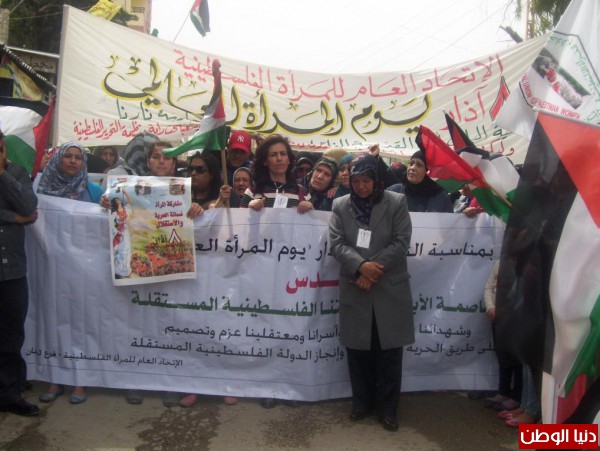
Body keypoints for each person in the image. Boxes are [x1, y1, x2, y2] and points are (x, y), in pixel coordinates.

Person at [329, 154, 414, 432]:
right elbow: (336, 243)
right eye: (356, 181)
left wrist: (372, 270)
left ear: (376, 180)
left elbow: (401, 241)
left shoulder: (396, 202)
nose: (361, 186)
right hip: (356, 285)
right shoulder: (340, 205)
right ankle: (361, 403)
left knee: (389, 351)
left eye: (366, 180)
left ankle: (387, 409)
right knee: (358, 350)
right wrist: (360, 267)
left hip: (388, 286)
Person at [240, 135, 308, 408]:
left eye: (283, 154)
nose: (279, 158)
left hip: (290, 272)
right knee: (264, 327)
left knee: (288, 326)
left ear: (289, 159)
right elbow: (237, 226)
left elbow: (309, 230)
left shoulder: (300, 190)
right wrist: (249, 209)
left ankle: (288, 384)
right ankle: (266, 384)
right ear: (265, 160)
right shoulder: (254, 190)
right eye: (273, 154)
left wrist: (309, 209)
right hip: (261, 271)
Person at [36, 142, 103, 404]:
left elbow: (110, 219)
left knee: (81, 322)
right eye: (68, 156)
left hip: (86, 269)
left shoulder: (93, 190)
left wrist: (109, 205)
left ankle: (80, 381)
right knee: (54, 320)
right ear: (58, 160)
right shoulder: (42, 188)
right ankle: (56, 378)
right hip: (52, 267)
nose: (73, 161)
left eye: (78, 157)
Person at [0, 130, 40, 417]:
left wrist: (2, 174)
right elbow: (22, 214)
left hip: (12, 270)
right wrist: (14, 218)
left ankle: (9, 393)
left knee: (11, 335)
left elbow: (29, 205)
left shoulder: (16, 172)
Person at [387, 150, 452, 213]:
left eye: (419, 165)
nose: (412, 168)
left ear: (428, 171)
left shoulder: (441, 198)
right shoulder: (394, 191)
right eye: (411, 164)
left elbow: (449, 219)